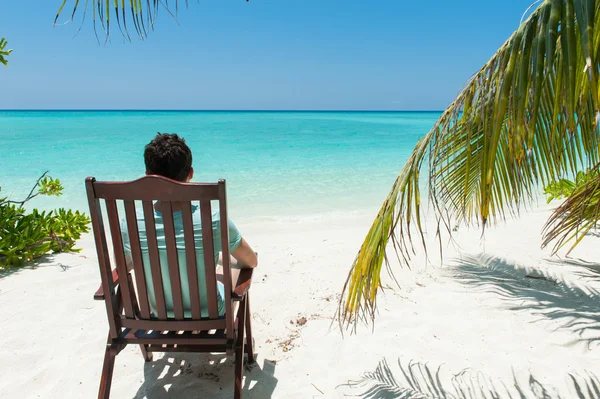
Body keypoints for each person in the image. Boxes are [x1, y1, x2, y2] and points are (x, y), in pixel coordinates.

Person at [121, 133, 258, 318]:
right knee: (229, 275)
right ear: (190, 173)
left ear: (147, 176)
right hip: (209, 314)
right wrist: (218, 259)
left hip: (158, 312)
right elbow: (250, 261)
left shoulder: (130, 222)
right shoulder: (213, 219)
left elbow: (126, 265)